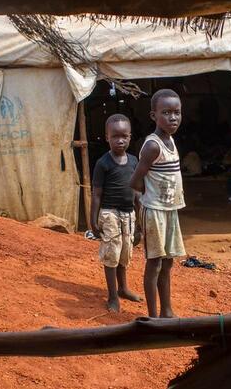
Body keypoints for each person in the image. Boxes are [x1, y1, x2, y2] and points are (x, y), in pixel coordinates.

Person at [130, 89, 187, 318]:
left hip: (170, 210)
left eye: (177, 112)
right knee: (154, 263)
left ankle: (167, 310)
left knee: (168, 262)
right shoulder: (153, 146)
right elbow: (135, 181)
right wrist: (143, 205)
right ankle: (153, 316)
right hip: (154, 211)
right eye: (166, 113)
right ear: (153, 116)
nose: (173, 118)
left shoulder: (170, 140)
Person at [90, 114, 143, 312]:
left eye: (124, 136)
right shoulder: (103, 164)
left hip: (129, 214)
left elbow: (137, 193)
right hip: (109, 213)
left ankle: (123, 288)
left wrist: (140, 220)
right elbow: (96, 195)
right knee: (111, 254)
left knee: (125, 253)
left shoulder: (133, 161)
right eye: (115, 136)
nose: (120, 140)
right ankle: (112, 296)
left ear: (130, 137)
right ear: (107, 137)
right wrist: (93, 221)